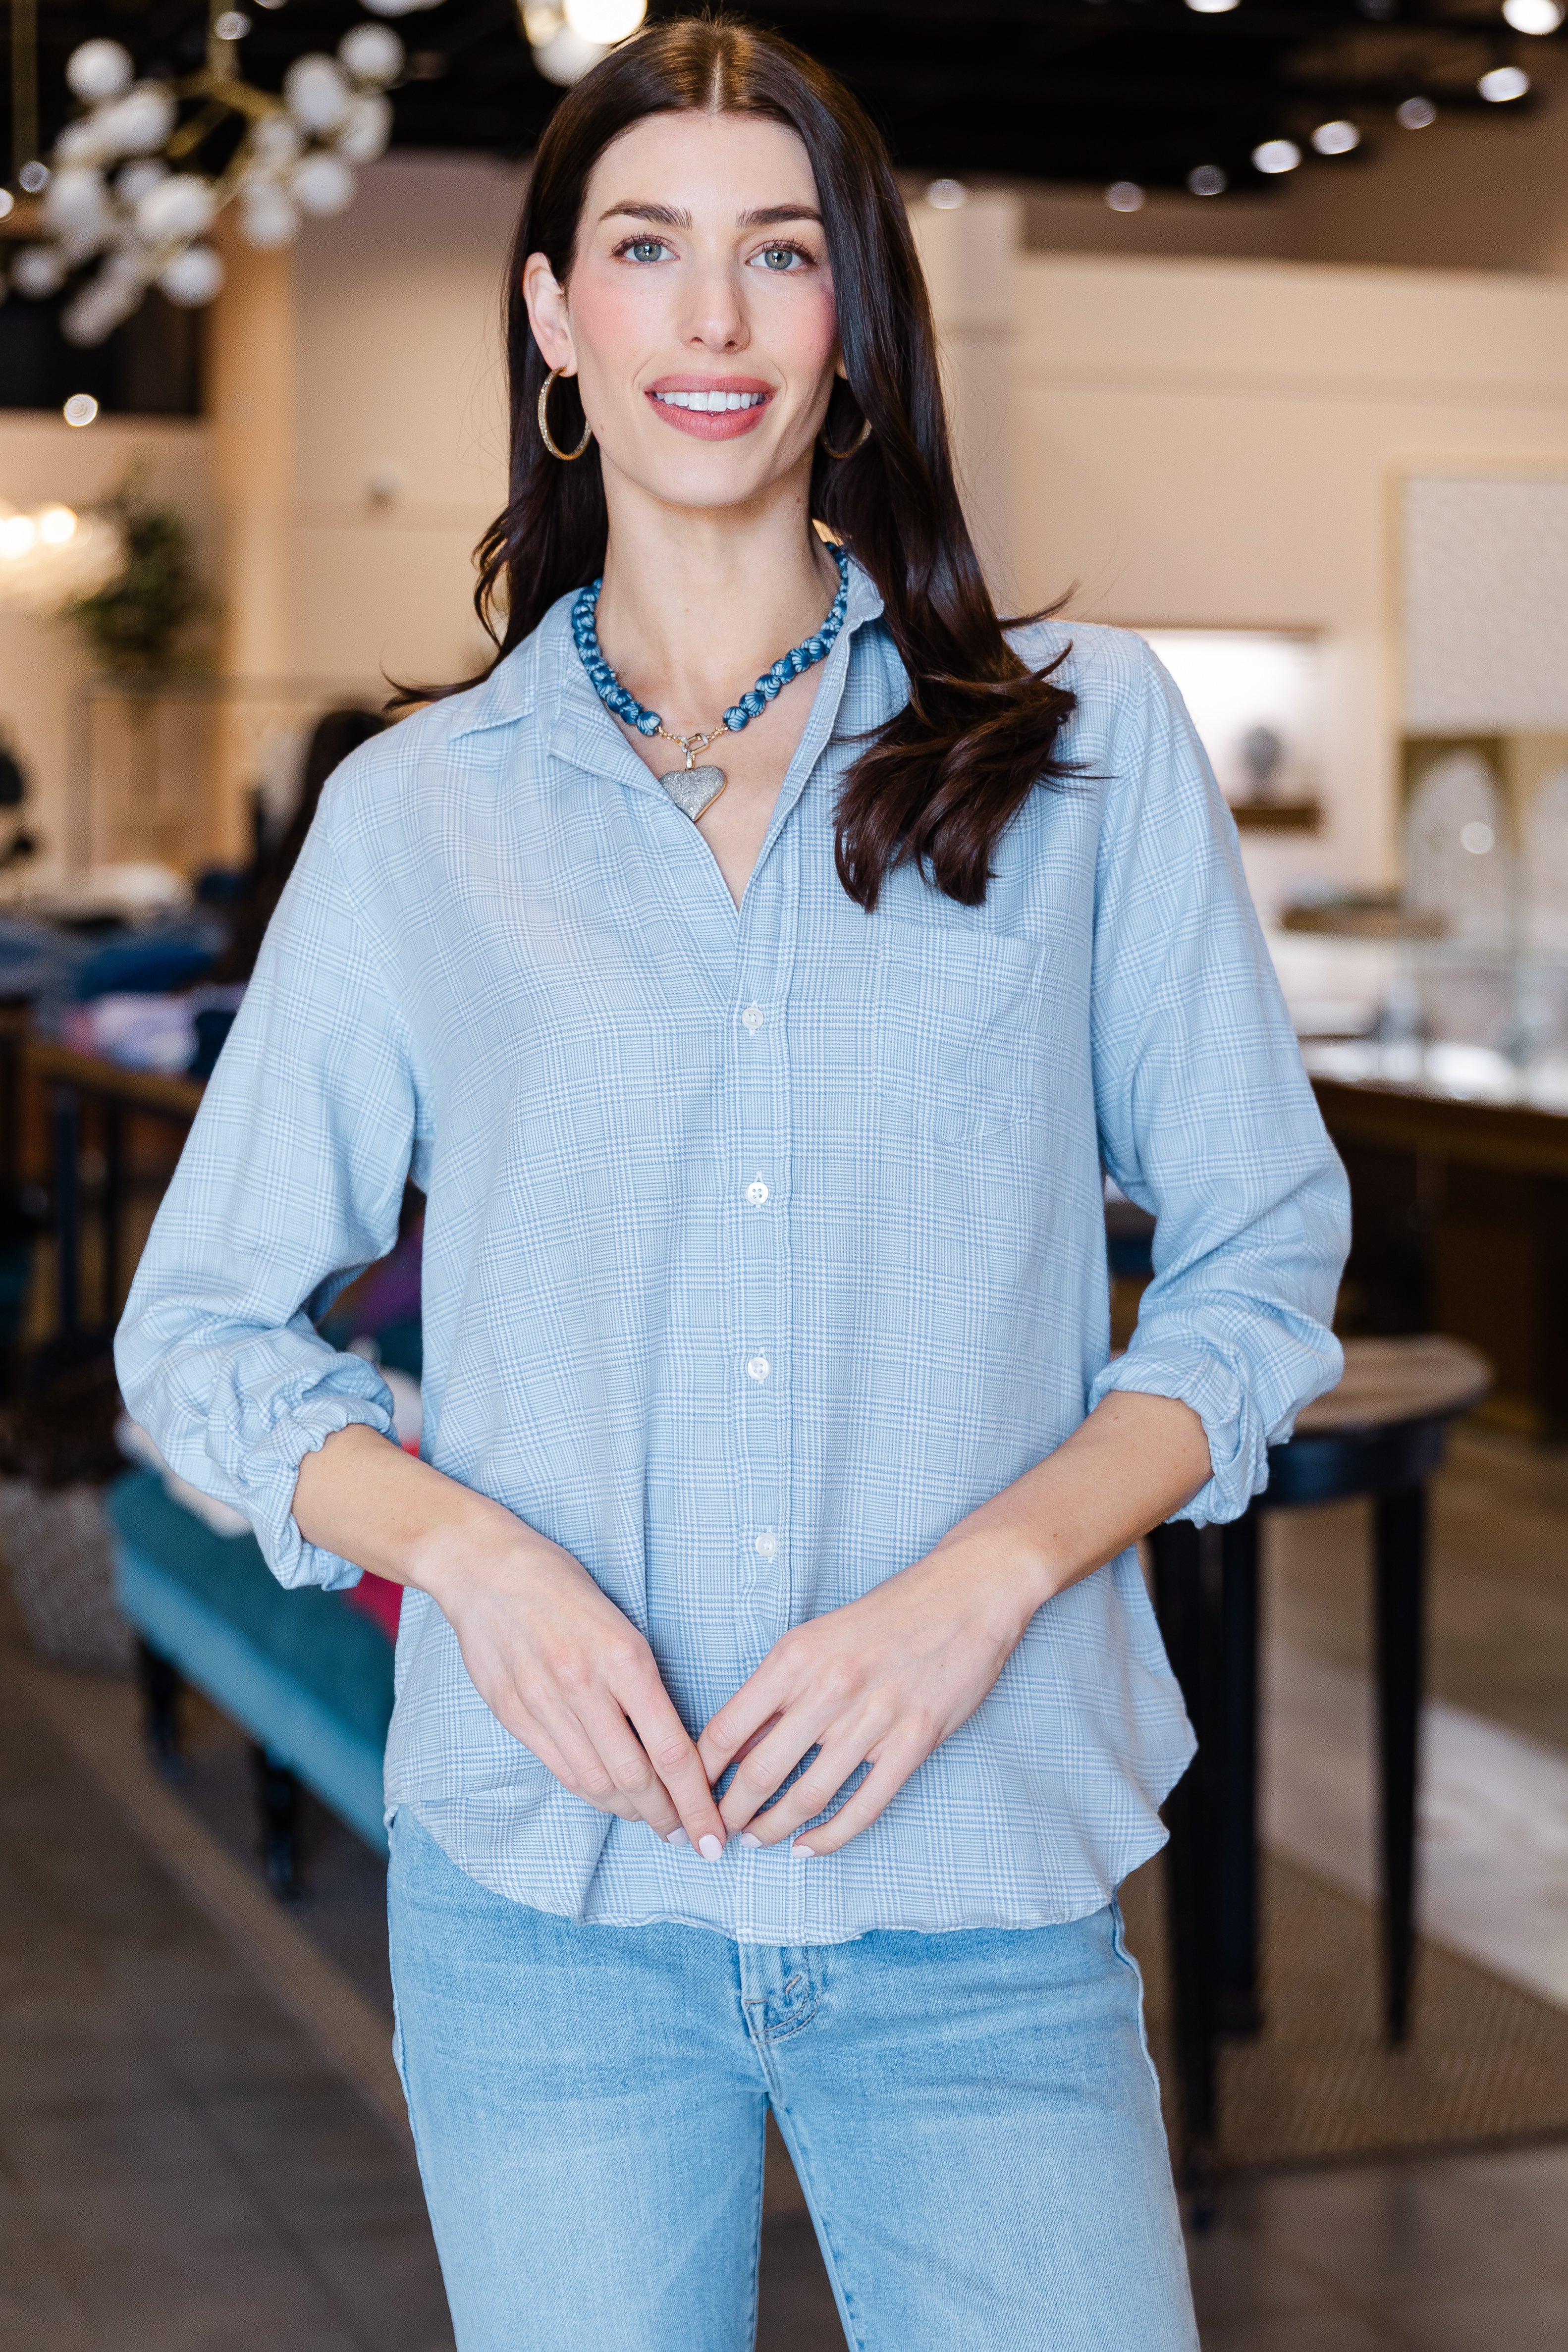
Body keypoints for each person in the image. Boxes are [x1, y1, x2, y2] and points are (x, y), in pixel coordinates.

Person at [115, 18, 1349, 2351]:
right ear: (557, 318)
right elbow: (195, 1334)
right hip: (548, 1917)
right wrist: (471, 1558)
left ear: (851, 317)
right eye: (648, 250)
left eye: (780, 254)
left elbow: (1263, 1255)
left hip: (981, 1887)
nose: (713, 315)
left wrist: (989, 1575)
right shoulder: (420, 818)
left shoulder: (1083, 751)